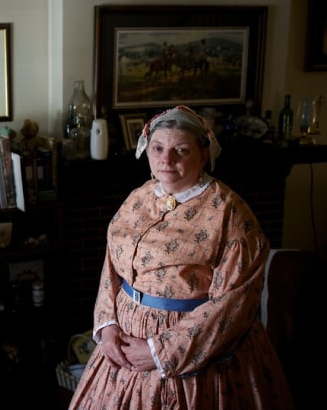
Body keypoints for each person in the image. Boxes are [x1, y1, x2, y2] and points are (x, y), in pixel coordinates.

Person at [68, 105, 294, 410]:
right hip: (123, 345)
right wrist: (107, 327)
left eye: (181, 150)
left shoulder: (230, 214)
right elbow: (113, 266)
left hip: (193, 353)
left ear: (203, 155)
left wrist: (158, 351)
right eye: (158, 147)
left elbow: (235, 301)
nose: (166, 159)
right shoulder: (139, 197)